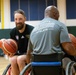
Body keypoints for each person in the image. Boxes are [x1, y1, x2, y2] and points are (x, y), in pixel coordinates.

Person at [26, 5, 76, 74]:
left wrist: (31, 68)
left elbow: (28, 54)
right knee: (70, 58)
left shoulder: (34, 29)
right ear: (55, 14)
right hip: (55, 67)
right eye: (58, 15)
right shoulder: (60, 25)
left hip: (38, 67)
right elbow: (68, 48)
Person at [9, 9, 34, 75]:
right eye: (16, 19)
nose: (18, 21)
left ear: (25, 19)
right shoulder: (13, 32)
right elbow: (13, 49)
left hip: (30, 55)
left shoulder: (31, 30)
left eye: (20, 19)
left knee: (20, 59)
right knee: (12, 59)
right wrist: (10, 52)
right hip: (19, 54)